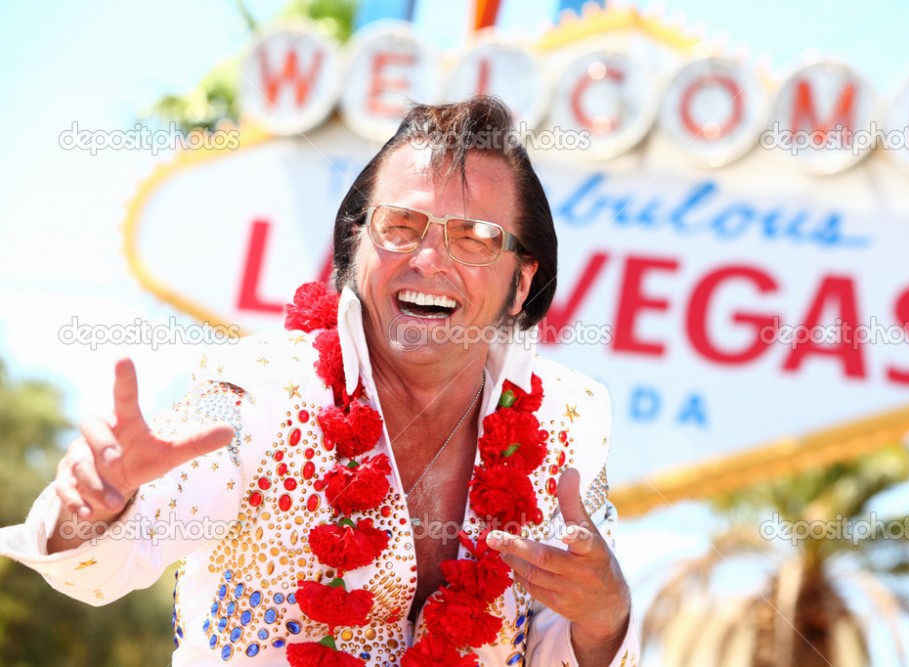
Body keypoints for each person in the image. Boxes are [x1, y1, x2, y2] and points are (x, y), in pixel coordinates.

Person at [0, 96, 639, 666]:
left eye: (473, 237)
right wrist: (97, 507)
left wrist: (607, 616)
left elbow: (559, 641)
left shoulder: (569, 420)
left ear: (521, 281)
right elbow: (104, 562)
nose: (428, 259)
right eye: (400, 226)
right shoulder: (263, 391)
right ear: (355, 247)